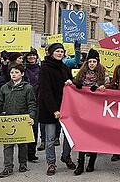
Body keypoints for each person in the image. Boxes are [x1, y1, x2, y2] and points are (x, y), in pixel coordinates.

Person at [38, 43, 76, 175]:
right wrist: (54, 110)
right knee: (50, 139)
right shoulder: (45, 68)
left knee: (68, 136)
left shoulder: (65, 67)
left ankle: (66, 157)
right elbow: (45, 91)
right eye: (57, 51)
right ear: (51, 53)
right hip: (50, 109)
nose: (60, 53)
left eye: (62, 51)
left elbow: (71, 83)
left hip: (65, 107)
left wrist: (70, 83)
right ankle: (51, 163)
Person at [0, 64, 37, 178]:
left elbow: (32, 104)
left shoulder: (28, 88)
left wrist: (31, 117)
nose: (13, 74)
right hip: (8, 119)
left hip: (22, 120)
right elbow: (0, 103)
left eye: (16, 72)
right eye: (12, 72)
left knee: (22, 144)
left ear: (22, 74)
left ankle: (23, 164)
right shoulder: (4, 87)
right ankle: (8, 167)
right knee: (7, 145)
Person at [71, 49, 106, 175]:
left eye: (94, 61)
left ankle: (91, 161)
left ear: (98, 62)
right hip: (83, 109)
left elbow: (106, 86)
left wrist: (101, 87)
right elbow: (74, 84)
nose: (92, 63)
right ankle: (80, 164)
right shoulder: (82, 73)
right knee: (83, 136)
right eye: (90, 61)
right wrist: (72, 83)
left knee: (94, 136)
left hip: (96, 109)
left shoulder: (102, 74)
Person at [22, 49, 41, 161]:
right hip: (24, 102)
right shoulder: (23, 69)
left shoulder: (40, 69)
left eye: (33, 55)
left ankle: (31, 153)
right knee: (24, 128)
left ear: (37, 57)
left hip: (37, 102)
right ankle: (23, 154)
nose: (32, 57)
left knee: (34, 127)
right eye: (29, 56)